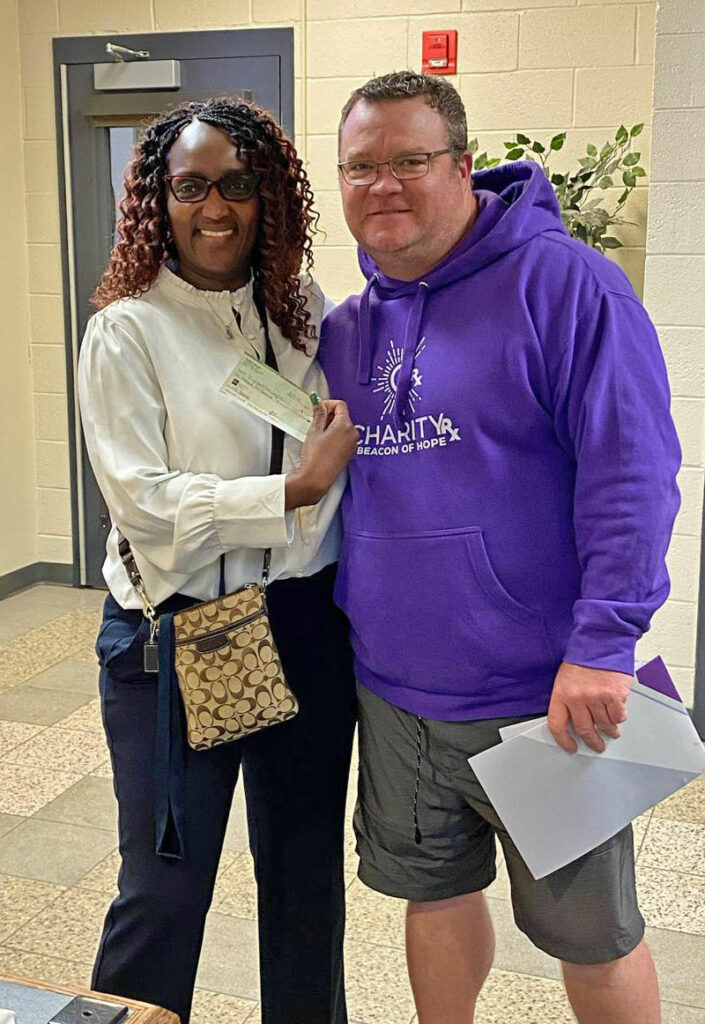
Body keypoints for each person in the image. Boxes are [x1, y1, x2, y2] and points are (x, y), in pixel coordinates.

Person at [319, 71, 681, 1024]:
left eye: (409, 161)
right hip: (394, 691)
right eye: (362, 166)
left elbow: (631, 471)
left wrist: (603, 640)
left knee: (590, 933)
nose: (383, 185)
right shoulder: (346, 331)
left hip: (542, 698)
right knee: (432, 896)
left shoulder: (566, 286)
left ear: (464, 167)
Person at [78, 97, 359, 1024]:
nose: (216, 208)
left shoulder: (301, 310)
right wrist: (288, 494)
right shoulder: (128, 329)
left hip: (301, 624)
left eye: (238, 185)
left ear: (268, 195)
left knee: (304, 881)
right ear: (157, 199)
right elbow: (146, 507)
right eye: (191, 185)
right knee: (163, 890)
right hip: (183, 634)